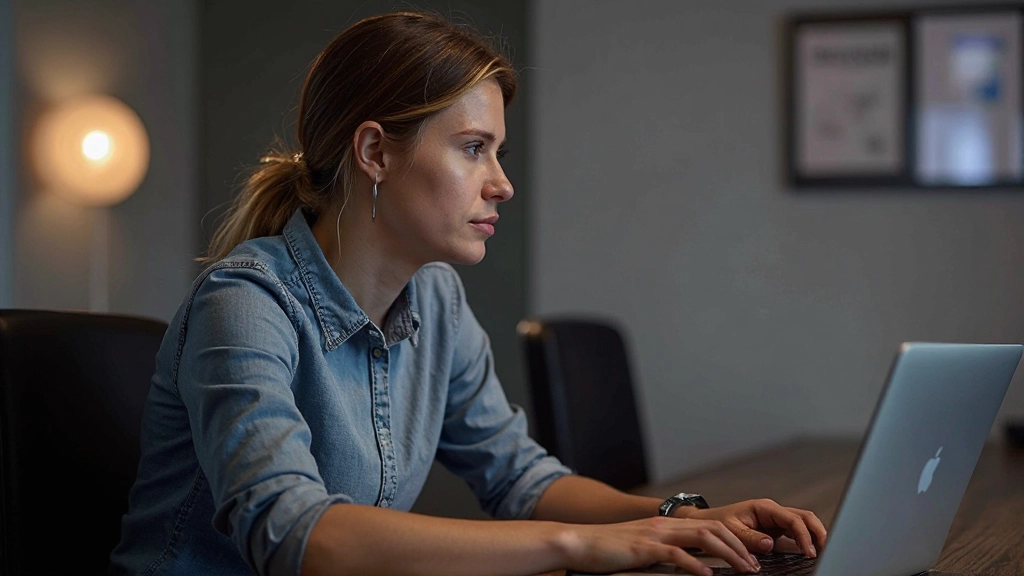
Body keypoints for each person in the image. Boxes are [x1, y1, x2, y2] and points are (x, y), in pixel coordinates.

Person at [110, 11, 826, 576]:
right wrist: (576, 547)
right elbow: (300, 537)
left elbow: (519, 478)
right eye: (472, 148)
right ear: (376, 153)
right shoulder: (245, 304)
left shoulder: (437, 300)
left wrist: (675, 520)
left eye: (497, 152)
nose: (502, 184)